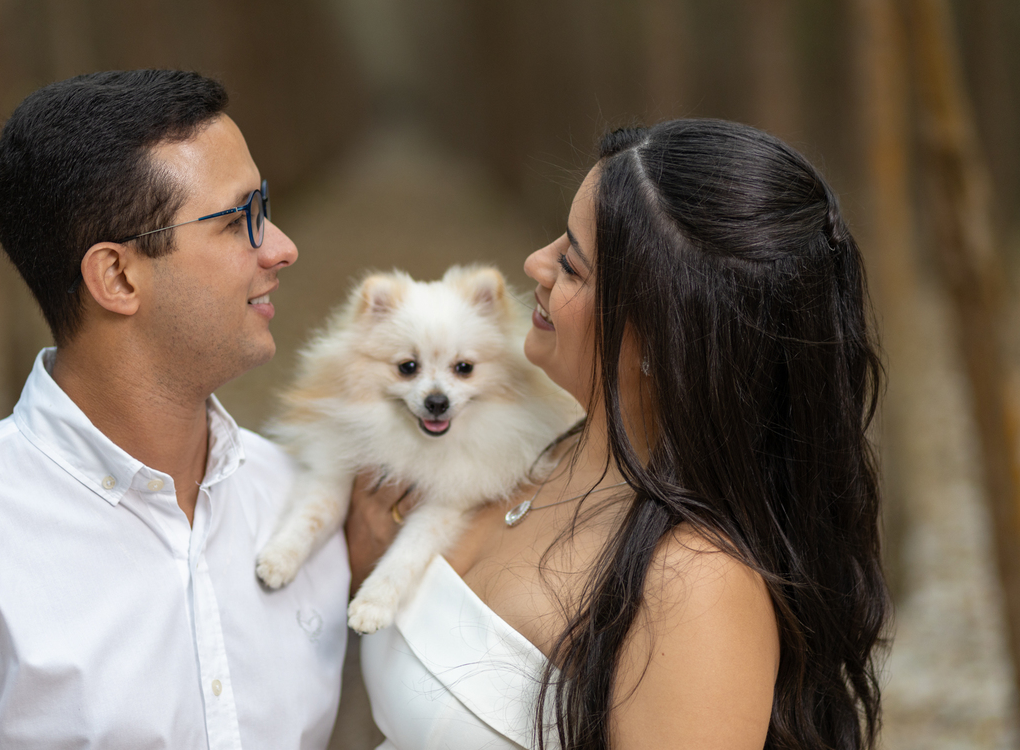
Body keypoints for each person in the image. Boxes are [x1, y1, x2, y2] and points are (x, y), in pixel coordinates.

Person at [0, 70, 353, 748]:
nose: (281, 247)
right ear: (117, 276)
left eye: (264, 207)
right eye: (236, 220)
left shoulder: (314, 508)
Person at [361, 119, 889, 750]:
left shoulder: (695, 586)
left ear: (665, 340)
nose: (535, 263)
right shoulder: (522, 449)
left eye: (572, 265)